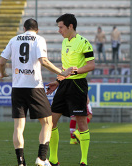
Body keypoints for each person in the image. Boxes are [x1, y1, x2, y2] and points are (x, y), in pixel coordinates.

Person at [0, 18, 75, 166]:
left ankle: (21, 162)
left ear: (24, 28)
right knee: (47, 122)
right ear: (37, 29)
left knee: (18, 127)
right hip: (34, 87)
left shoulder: (14, 40)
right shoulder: (39, 39)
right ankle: (41, 158)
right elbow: (43, 61)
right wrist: (62, 73)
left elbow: (1, 62)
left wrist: (3, 73)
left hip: (18, 88)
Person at [46, 13, 95, 166]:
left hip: (78, 85)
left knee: (81, 123)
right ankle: (53, 159)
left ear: (70, 26)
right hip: (64, 84)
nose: (59, 30)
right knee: (51, 121)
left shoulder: (83, 42)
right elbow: (64, 69)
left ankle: (84, 160)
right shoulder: (64, 43)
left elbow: (91, 65)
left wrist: (74, 72)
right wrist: (57, 81)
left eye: (61, 27)